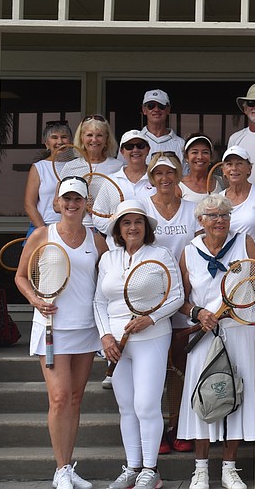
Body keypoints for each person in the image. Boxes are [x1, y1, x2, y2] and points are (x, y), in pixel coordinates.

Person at [178, 194, 255, 489]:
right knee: (203, 395)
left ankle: (229, 468)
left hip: (240, 330)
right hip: (204, 334)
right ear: (200, 221)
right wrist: (198, 312)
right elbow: (181, 300)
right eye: (212, 216)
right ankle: (200, 470)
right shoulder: (188, 251)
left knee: (237, 395)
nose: (219, 221)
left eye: (224, 215)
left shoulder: (244, 242)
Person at [15, 176, 108, 489]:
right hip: (52, 328)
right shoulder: (43, 234)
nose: (71, 204)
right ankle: (60, 469)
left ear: (85, 204)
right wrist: (36, 301)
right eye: (66, 199)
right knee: (58, 398)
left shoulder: (95, 240)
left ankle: (69, 467)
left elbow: (106, 280)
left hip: (85, 328)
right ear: (57, 202)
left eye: (77, 199)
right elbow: (20, 277)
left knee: (76, 399)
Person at [95, 200, 183, 489]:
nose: (133, 227)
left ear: (146, 227)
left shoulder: (161, 254)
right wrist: (106, 336)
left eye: (138, 222)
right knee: (127, 408)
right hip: (117, 345)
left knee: (146, 406)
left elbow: (177, 297)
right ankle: (133, 467)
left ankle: (151, 470)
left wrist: (151, 318)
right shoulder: (108, 258)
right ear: (119, 229)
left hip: (152, 339)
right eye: (126, 222)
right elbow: (98, 302)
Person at [142, 150, 200, 454]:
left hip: (185, 300)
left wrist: (186, 290)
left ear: (179, 176)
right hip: (150, 303)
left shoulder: (193, 209)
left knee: (180, 364)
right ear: (151, 178)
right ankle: (156, 430)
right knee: (153, 369)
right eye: (158, 173)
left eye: (170, 172)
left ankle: (177, 425)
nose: (164, 178)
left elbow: (202, 252)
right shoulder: (141, 209)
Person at [93, 130, 157, 237]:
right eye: (129, 147)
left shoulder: (158, 180)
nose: (135, 150)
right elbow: (97, 216)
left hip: (151, 246)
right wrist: (120, 231)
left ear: (148, 149)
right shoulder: (111, 181)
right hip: (117, 248)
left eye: (140, 146)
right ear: (122, 151)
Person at [219, 145, 255, 255]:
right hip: (227, 265)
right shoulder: (219, 199)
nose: (234, 168)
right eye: (229, 164)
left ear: (249, 169)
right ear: (224, 170)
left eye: (239, 163)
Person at [24, 120, 73, 231]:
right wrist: (44, 231)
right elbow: (29, 205)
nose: (60, 142)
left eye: (64, 137)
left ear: (71, 141)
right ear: (46, 143)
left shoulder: (79, 166)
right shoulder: (39, 167)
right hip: (44, 226)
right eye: (54, 137)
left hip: (73, 228)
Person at [138, 89, 186, 169]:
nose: (156, 109)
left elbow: (185, 177)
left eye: (161, 106)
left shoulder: (181, 144)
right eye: (151, 106)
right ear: (144, 110)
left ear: (168, 109)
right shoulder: (132, 143)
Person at [179, 134, 216, 204]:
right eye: (194, 152)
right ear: (187, 157)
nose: (200, 157)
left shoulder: (222, 182)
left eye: (205, 152)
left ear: (211, 157)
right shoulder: (179, 186)